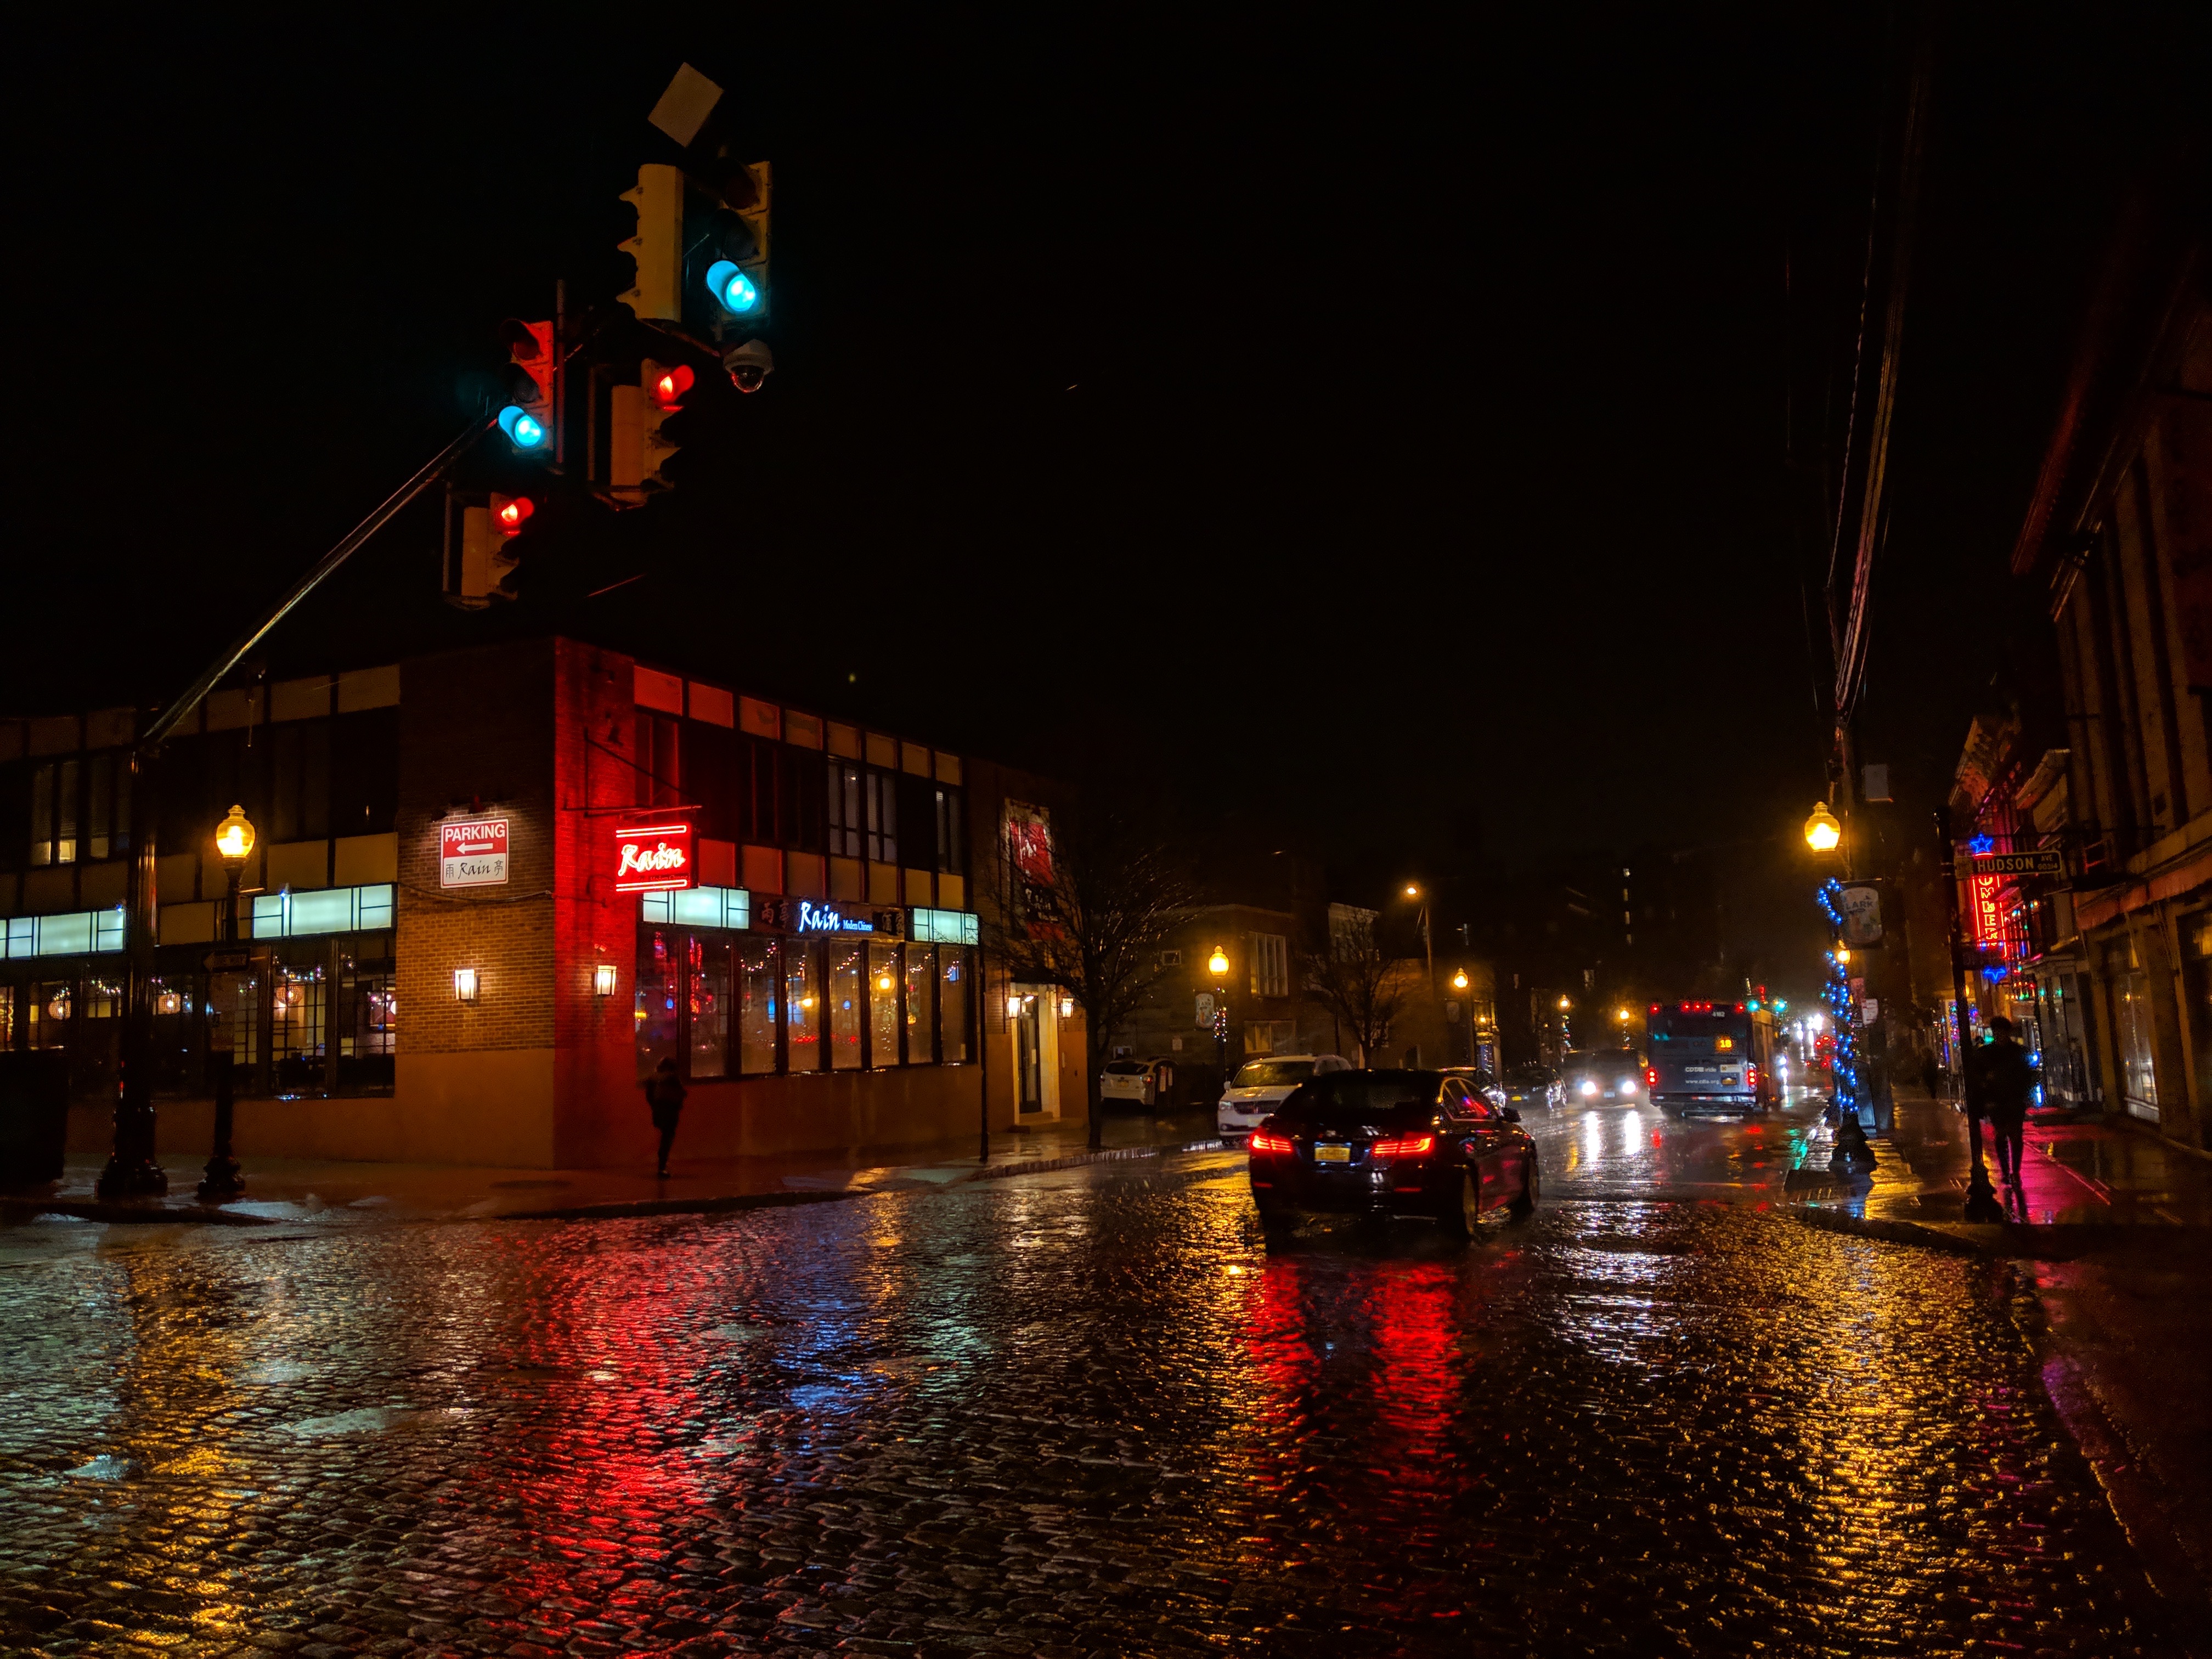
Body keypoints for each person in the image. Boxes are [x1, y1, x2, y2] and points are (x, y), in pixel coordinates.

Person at [1973, 1017, 2036, 1187]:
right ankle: (2007, 1171)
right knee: (2002, 1135)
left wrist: (2027, 1094)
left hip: (2013, 1099)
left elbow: (2027, 1076)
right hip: (1998, 1100)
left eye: (2001, 1032)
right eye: (1996, 1032)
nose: (1999, 1035)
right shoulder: (1988, 1053)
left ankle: (2014, 1171)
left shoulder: (2017, 1052)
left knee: (2015, 1135)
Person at [641, 1057, 687, 1178]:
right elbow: (681, 1093)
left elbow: (649, 1097)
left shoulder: (653, 1078)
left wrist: (656, 1107)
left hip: (658, 1111)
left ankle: (662, 1164)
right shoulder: (673, 1078)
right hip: (671, 1112)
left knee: (664, 1136)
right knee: (668, 1137)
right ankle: (662, 1166)